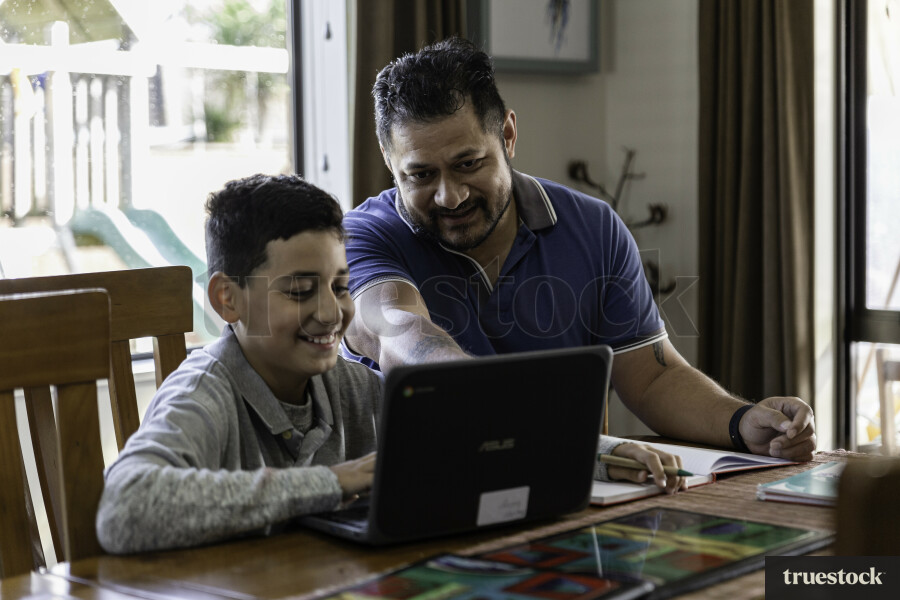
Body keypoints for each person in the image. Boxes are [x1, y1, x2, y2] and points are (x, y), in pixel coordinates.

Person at [341, 37, 816, 483]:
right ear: (389, 158)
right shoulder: (362, 236)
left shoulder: (594, 228)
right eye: (421, 174)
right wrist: (583, 446)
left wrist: (740, 421)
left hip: (567, 495)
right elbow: (400, 336)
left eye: (468, 163)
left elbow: (652, 377)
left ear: (506, 135)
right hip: (422, 493)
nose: (450, 195)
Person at [96, 174, 379, 554]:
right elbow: (123, 508)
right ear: (228, 299)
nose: (331, 313)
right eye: (299, 291)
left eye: (340, 287)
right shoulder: (203, 393)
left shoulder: (359, 388)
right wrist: (332, 482)